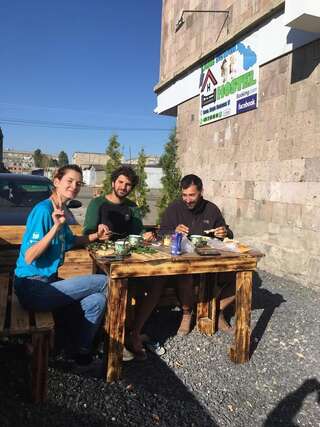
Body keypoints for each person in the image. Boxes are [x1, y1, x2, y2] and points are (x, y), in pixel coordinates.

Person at [14, 164, 111, 373]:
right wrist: (55, 228)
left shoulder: (62, 212)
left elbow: (71, 240)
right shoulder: (43, 211)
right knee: (104, 282)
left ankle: (79, 354)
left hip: (50, 284)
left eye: (78, 183)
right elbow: (30, 256)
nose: (74, 186)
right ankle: (99, 343)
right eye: (69, 181)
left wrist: (96, 236)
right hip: (32, 288)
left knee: (97, 300)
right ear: (56, 182)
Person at [83, 166, 158, 359]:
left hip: (129, 259)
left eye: (128, 185)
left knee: (154, 284)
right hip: (104, 260)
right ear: (114, 182)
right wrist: (98, 235)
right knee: (122, 288)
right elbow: (87, 234)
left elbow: (137, 233)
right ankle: (114, 338)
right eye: (121, 182)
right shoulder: (97, 203)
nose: (124, 187)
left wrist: (146, 236)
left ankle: (132, 333)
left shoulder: (132, 207)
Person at [159, 174, 235, 335]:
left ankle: (218, 310)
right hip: (185, 260)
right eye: (184, 195)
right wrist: (174, 232)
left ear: (201, 192)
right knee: (185, 276)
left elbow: (227, 231)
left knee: (238, 276)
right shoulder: (174, 208)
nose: (187, 199)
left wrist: (224, 232)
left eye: (192, 195)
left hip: (210, 258)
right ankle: (187, 313)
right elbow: (161, 233)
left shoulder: (211, 209)